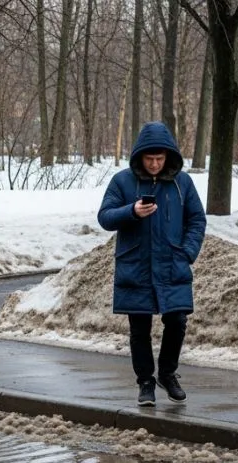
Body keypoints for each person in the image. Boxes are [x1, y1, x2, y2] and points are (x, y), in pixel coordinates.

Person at [98, 121, 207, 406]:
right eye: (150, 159)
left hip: (173, 264)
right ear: (140, 157)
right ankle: (145, 382)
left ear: (168, 156)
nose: (156, 164)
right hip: (136, 265)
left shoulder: (183, 183)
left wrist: (187, 252)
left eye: (160, 159)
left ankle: (167, 373)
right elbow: (105, 217)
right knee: (139, 328)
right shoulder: (122, 181)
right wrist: (131, 211)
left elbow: (197, 220)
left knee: (177, 321)